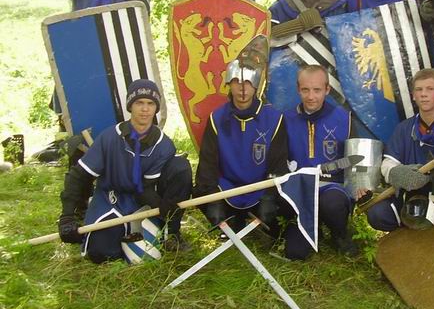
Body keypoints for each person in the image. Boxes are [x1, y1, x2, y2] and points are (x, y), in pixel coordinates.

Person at [34, 0, 151, 162]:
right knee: (74, 102)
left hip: (117, 66)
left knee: (118, 115)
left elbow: (137, 20)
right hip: (83, 64)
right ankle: (68, 145)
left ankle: (123, 149)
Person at [57, 79, 192, 263]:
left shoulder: (164, 145)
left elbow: (145, 188)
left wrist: (162, 206)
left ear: (156, 108)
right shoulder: (109, 137)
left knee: (180, 167)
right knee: (102, 254)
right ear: (130, 106)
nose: (145, 109)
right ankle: (103, 230)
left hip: (142, 201)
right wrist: (67, 216)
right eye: (139, 103)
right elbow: (78, 176)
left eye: (150, 103)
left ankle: (171, 233)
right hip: (110, 198)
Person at [193, 37, 289, 237]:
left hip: (261, 189)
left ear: (256, 85)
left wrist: (270, 195)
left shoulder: (274, 119)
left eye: (247, 82)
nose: (243, 89)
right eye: (237, 81)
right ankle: (233, 222)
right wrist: (212, 197)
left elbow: (278, 166)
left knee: (284, 201)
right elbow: (207, 166)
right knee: (199, 192)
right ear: (229, 83)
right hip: (227, 190)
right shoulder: (217, 118)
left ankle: (255, 224)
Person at [365, 68, 434, 232]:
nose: (424, 94)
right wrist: (397, 173)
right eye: (419, 89)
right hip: (409, 199)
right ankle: (406, 236)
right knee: (377, 214)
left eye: (430, 89)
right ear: (413, 95)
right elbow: (388, 163)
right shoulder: (403, 129)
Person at [282, 65, 358, 259]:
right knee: (295, 253)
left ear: (327, 89)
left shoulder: (344, 119)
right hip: (299, 191)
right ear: (298, 89)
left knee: (332, 204)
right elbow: (279, 161)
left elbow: (354, 161)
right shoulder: (286, 120)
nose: (311, 96)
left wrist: (359, 184)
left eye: (317, 90)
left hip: (332, 188)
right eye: (305, 90)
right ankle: (311, 226)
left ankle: (339, 234)